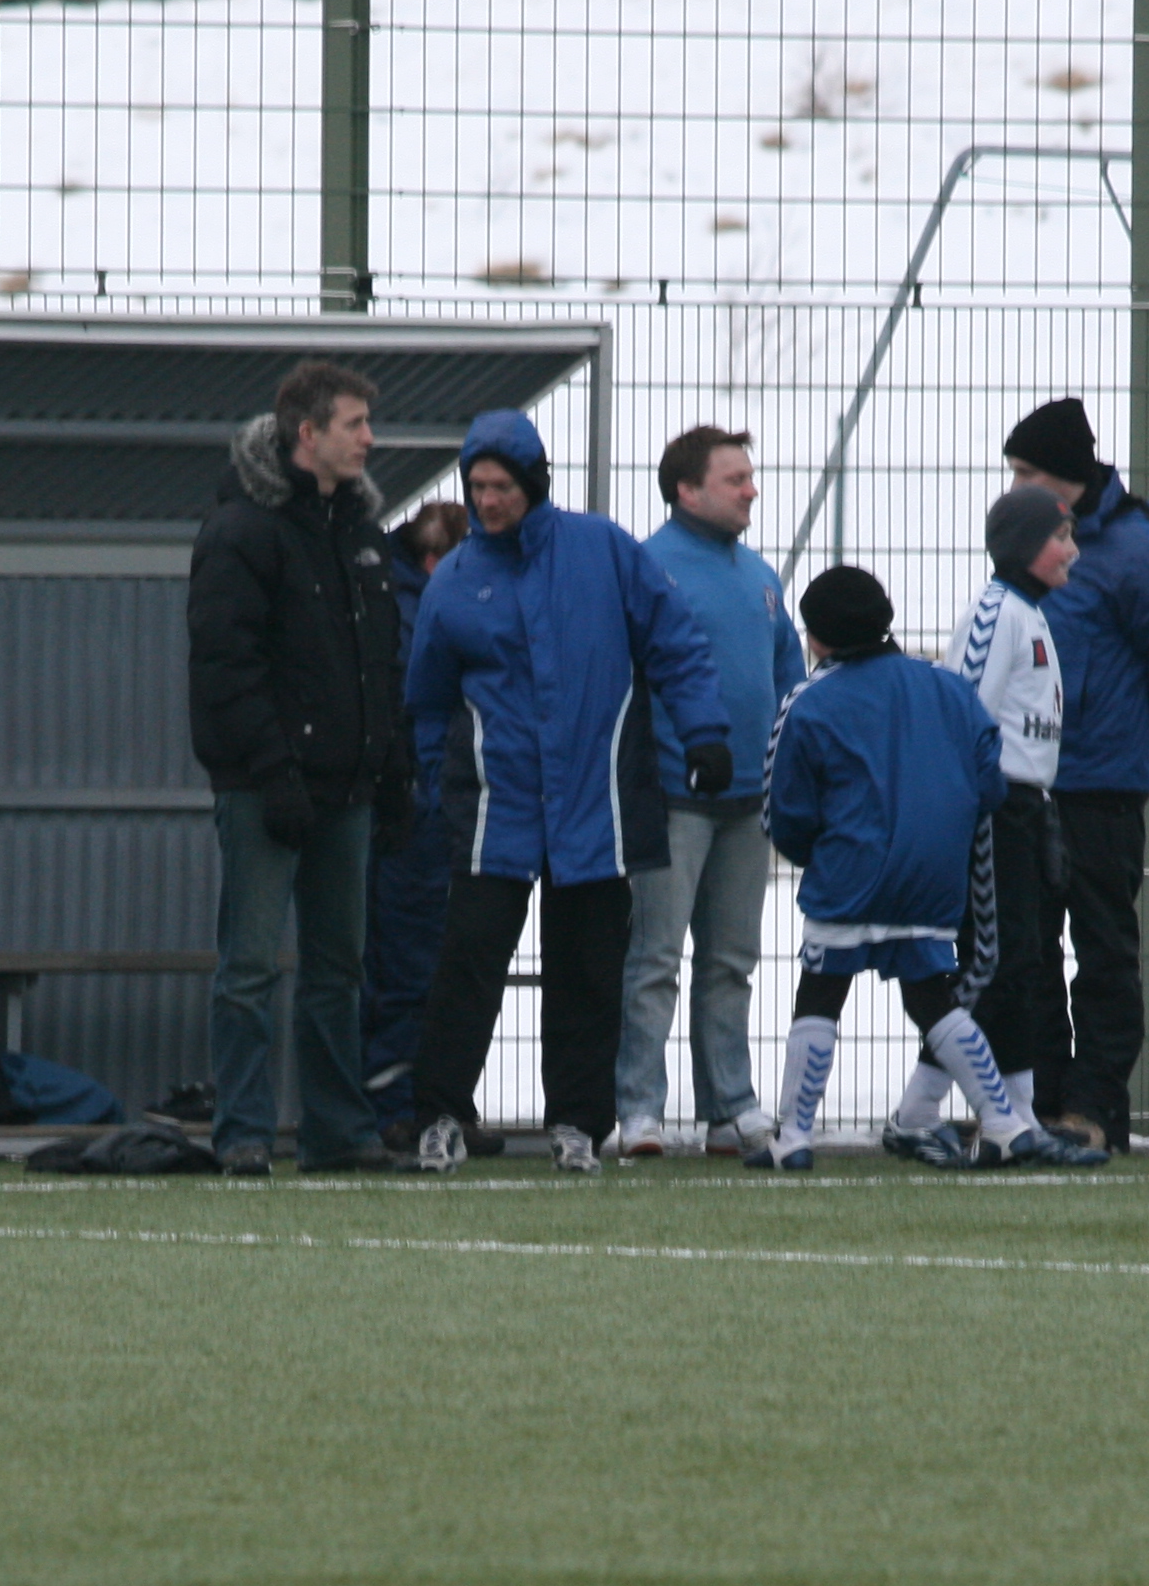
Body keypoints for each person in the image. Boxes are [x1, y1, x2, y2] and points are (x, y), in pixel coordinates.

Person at [401, 409, 731, 1176]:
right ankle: (440, 1115)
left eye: (502, 486)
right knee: (467, 964)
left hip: (598, 807)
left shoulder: (604, 549)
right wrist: (428, 790)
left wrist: (706, 735)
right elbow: (427, 701)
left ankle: (578, 1123)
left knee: (588, 969)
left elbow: (676, 645)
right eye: (478, 487)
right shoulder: (455, 579)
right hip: (495, 810)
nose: (488, 501)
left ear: (535, 482)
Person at [751, 566, 1103, 1175]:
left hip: (848, 873)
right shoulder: (947, 687)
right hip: (932, 876)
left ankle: (795, 1137)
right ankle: (1003, 1122)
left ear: (817, 637)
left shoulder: (807, 701)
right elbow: (989, 779)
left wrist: (818, 851)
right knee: (933, 999)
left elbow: (783, 811)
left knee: (821, 994)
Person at [185, 358, 416, 1177]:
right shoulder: (241, 531)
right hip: (264, 791)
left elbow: (381, 663)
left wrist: (393, 772)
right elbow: (225, 668)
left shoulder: (361, 534)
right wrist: (273, 772)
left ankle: (337, 1132)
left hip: (347, 790)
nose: (370, 439)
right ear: (307, 434)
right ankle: (243, 1134)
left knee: (338, 970)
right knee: (249, 966)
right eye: (355, 424)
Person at [1000, 396, 1149, 1152]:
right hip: (1028, 783)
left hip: (1102, 789)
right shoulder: (1028, 543)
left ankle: (1094, 1109)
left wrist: (1123, 731)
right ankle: (1039, 1101)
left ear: (1070, 476)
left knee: (1105, 951)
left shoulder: (1137, 552)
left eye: (1029, 472)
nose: (1016, 486)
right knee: (1027, 950)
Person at [614, 424, 805, 1159]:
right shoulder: (647, 568)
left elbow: (787, 677)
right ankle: (639, 1109)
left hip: (749, 805)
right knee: (654, 960)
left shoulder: (760, 575)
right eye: (736, 479)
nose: (752, 490)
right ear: (687, 491)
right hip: (671, 801)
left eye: (750, 476)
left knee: (731, 962)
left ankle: (731, 1106)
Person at [883, 485, 1074, 1161]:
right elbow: (961, 715)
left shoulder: (1030, 614)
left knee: (1019, 964)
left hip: (1027, 805)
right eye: (1060, 538)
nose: (1072, 552)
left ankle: (1017, 1122)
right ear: (1024, 546)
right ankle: (916, 1113)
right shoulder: (995, 613)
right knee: (991, 962)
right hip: (994, 807)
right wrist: (973, 803)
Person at [364, 498, 471, 1136]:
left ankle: (417, 1100)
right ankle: (399, 1104)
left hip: (424, 801)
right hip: (419, 805)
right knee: (412, 959)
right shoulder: (416, 607)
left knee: (419, 958)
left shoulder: (392, 593)